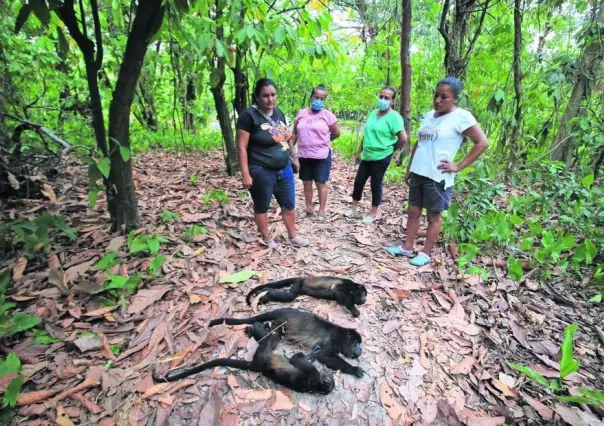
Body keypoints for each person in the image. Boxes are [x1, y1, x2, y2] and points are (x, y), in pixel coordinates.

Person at [387, 77, 489, 266]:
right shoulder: (428, 115)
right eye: (436, 95)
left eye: (444, 97)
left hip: (437, 176)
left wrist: (458, 166)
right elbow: (420, 143)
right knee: (413, 211)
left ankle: (425, 253)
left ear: (455, 99)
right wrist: (409, 168)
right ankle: (407, 247)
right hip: (419, 172)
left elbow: (482, 143)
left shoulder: (462, 117)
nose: (438, 100)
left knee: (433, 216)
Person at [236, 78, 309, 249]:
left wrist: (294, 157)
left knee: (289, 204)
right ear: (257, 97)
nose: (270, 99)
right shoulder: (248, 116)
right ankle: (267, 239)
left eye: (273, 95)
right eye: (265, 96)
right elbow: (241, 146)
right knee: (262, 206)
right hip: (261, 170)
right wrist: (245, 174)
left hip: (284, 169)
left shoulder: (278, 113)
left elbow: (287, 137)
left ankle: (293, 236)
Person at [345, 87, 408, 223]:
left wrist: (391, 149)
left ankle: (373, 213)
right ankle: (353, 208)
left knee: (375, 184)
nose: (383, 100)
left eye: (387, 98)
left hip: (382, 156)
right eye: (381, 97)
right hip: (367, 155)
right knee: (359, 181)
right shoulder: (373, 113)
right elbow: (367, 133)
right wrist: (359, 150)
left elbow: (403, 139)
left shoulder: (394, 117)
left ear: (392, 101)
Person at [293, 84, 341, 217]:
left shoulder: (328, 115)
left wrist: (323, 141)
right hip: (304, 154)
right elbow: (295, 133)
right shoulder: (301, 113)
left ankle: (321, 210)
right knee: (306, 182)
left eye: (321, 98)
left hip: (322, 155)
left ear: (324, 100)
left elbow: (336, 133)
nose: (318, 100)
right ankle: (309, 208)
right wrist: (290, 150)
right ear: (311, 97)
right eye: (316, 97)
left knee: (320, 182)